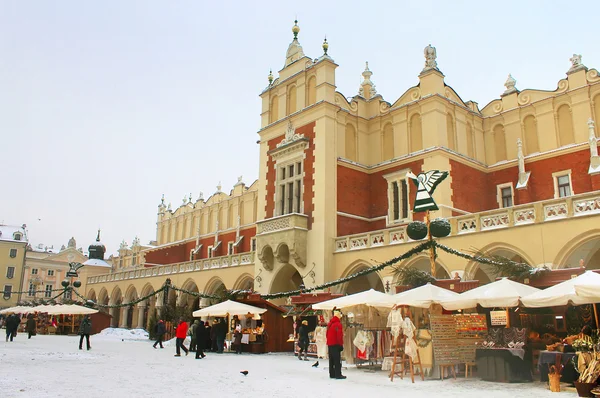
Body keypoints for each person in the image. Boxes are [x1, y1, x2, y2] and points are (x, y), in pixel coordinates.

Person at [326, 310, 345, 379]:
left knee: (331, 360)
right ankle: (338, 374)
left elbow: (327, 334)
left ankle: (332, 374)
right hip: (335, 344)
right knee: (337, 360)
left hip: (330, 344)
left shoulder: (330, 324)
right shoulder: (338, 324)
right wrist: (340, 344)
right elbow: (339, 335)